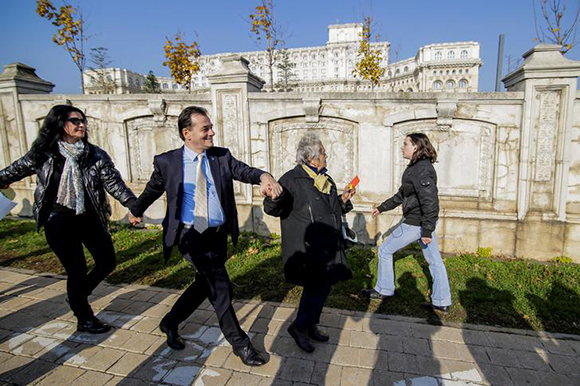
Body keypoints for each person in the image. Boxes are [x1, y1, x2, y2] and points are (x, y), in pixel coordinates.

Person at [129, 106, 281, 366]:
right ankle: (240, 343)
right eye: (206, 128)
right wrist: (136, 209)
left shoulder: (221, 156)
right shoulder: (167, 162)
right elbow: (153, 189)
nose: (212, 132)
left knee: (204, 284)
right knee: (220, 287)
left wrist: (263, 176)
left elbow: (244, 171)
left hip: (217, 235)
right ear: (187, 133)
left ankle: (170, 322)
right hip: (190, 236)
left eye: (211, 127)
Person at [0, 105, 136, 333]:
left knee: (107, 261)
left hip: (90, 218)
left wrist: (133, 205)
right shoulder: (44, 154)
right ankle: (84, 317)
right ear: (60, 124)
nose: (81, 124)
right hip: (58, 220)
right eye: (75, 121)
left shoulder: (94, 154)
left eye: (83, 120)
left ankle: (78, 295)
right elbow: (14, 170)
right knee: (77, 270)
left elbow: (113, 182)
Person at [263, 133, 355, 353]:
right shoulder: (291, 179)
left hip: (327, 247)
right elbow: (274, 209)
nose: (326, 155)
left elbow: (333, 210)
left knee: (322, 289)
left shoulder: (326, 179)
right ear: (312, 157)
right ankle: (299, 327)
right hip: (306, 248)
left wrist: (343, 200)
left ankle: (310, 324)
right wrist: (272, 197)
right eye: (323, 152)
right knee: (315, 289)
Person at [361, 133, 452, 312]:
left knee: (385, 250)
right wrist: (382, 207)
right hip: (421, 223)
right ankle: (442, 301)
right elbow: (402, 194)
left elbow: (430, 202)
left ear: (416, 147)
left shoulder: (422, 169)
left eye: (405, 144)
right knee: (434, 261)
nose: (402, 147)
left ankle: (384, 289)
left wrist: (426, 230)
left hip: (416, 223)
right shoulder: (415, 167)